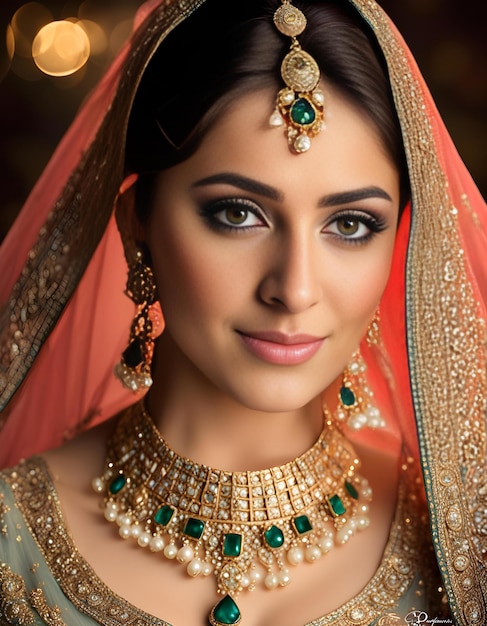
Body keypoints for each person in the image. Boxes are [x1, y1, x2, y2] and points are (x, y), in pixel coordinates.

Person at [0, 0, 486, 624]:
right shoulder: (15, 547)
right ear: (136, 228)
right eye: (237, 214)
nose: (296, 288)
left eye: (350, 224)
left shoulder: (460, 543)